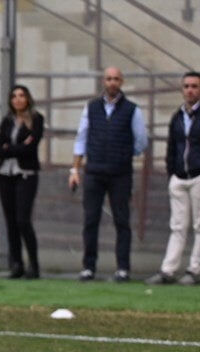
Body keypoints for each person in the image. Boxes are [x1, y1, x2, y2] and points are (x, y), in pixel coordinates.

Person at [68, 66, 149, 282]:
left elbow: (140, 141)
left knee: (122, 220)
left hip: (120, 174)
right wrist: (75, 169)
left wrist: (122, 154)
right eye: (108, 79)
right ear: (103, 82)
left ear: (121, 82)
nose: (112, 83)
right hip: (94, 171)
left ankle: (123, 268)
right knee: (90, 219)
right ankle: (88, 267)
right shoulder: (92, 107)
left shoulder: (132, 109)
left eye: (116, 79)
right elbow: (81, 138)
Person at [147, 71, 200, 286]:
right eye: (186, 86)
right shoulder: (178, 116)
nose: (190, 90)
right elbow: (172, 146)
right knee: (177, 226)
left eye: (195, 86)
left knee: (199, 225)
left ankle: (195, 270)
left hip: (198, 176)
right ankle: (168, 270)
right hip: (179, 177)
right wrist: (172, 172)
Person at [0, 85, 44, 279]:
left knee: (23, 219)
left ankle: (34, 264)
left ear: (28, 99)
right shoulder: (7, 121)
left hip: (26, 174)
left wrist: (10, 148)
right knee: (11, 221)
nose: (18, 99)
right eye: (14, 96)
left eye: (21, 96)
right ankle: (16, 264)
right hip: (5, 174)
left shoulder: (36, 119)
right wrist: (18, 146)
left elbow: (31, 149)